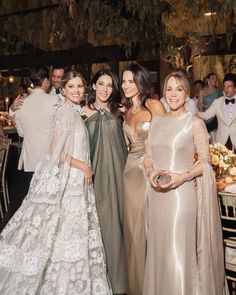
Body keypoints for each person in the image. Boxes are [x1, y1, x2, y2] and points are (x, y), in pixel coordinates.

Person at [0, 70, 112, 294]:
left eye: (80, 86)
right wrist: (82, 165)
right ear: (63, 89)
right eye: (71, 87)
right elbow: (55, 152)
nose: (76, 90)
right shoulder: (66, 114)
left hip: (76, 180)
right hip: (71, 178)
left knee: (65, 234)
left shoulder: (72, 111)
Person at [143, 70, 226, 295]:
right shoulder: (157, 122)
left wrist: (183, 176)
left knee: (178, 253)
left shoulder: (194, 122)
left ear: (187, 93)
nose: (173, 94)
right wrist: (150, 170)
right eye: (169, 89)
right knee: (160, 252)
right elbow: (148, 154)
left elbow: (205, 163)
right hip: (157, 195)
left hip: (181, 198)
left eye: (178, 89)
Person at [121, 63, 165, 295]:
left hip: (151, 170)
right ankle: (137, 286)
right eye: (124, 81)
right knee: (134, 230)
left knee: (153, 227)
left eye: (131, 81)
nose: (126, 85)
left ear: (141, 81)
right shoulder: (125, 111)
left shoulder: (154, 105)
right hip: (130, 174)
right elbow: (129, 145)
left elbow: (167, 138)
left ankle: (156, 285)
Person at [83, 69, 127, 295]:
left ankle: (120, 280)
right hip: (94, 176)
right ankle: (100, 280)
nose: (105, 89)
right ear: (93, 85)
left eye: (109, 85)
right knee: (99, 223)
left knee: (118, 222)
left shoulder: (120, 111)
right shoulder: (81, 111)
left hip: (120, 175)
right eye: (101, 84)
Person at [13, 68, 58, 188]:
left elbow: (21, 133)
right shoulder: (56, 100)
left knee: (33, 199)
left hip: (30, 160)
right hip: (51, 159)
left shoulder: (20, 105)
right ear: (45, 81)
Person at [198, 73, 236, 150]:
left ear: (235, 88)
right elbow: (205, 115)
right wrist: (189, 114)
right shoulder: (217, 102)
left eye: (229, 86)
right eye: (225, 86)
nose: (226, 89)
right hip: (222, 143)